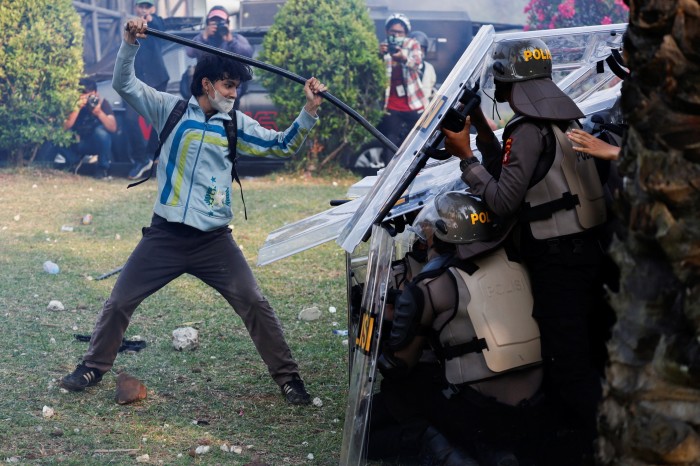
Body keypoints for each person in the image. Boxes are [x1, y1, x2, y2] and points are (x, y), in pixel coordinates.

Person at [60, 17, 327, 406]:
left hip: (214, 242)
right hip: (165, 235)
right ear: (207, 84)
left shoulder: (236, 123)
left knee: (255, 303)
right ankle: (93, 367)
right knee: (119, 302)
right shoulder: (170, 109)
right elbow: (124, 84)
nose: (234, 93)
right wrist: (130, 45)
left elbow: (283, 145)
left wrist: (309, 110)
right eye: (229, 85)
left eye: (237, 87)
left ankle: (289, 379)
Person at [441, 38, 608, 462]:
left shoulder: (526, 129)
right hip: (587, 252)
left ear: (505, 80)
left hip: (558, 262)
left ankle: (602, 446)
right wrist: (480, 126)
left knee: (568, 366)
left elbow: (501, 200)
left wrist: (465, 160)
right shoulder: (561, 120)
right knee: (584, 353)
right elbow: (518, 173)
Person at [368, 192, 545, 465]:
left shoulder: (433, 285)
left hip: (483, 411)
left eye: (427, 234)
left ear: (439, 236)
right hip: (539, 400)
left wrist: (377, 336)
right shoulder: (518, 262)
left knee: (398, 391)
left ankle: (448, 451)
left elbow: (399, 365)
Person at [125, 0, 170, 180]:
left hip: (157, 79)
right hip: (135, 80)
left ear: (152, 8)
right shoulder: (129, 22)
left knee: (159, 121)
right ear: (136, 7)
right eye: (141, 6)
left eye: (147, 6)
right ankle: (140, 159)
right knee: (129, 118)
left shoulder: (157, 21)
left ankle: (152, 156)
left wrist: (149, 20)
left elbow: (161, 30)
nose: (143, 10)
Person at [377, 13, 425, 159]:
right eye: (393, 32)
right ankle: (390, 177)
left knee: (416, 142)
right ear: (387, 31)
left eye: (400, 32)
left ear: (406, 33)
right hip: (391, 104)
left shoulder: (412, 44)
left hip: (413, 102)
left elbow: (418, 64)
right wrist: (379, 55)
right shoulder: (383, 47)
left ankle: (414, 173)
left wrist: (403, 58)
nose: (396, 35)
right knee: (390, 141)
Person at [183, 5, 254, 103]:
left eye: (221, 22)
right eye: (214, 22)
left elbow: (248, 54)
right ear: (208, 23)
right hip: (206, 94)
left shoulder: (235, 39)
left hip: (229, 95)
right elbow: (189, 52)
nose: (217, 26)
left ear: (228, 23)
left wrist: (230, 40)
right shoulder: (202, 38)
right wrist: (204, 37)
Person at [61, 78, 118, 178]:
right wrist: (76, 108)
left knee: (101, 132)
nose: (87, 99)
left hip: (94, 143)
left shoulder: (102, 103)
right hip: (76, 142)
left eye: (89, 95)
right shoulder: (72, 104)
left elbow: (113, 127)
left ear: (96, 93)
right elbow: (63, 128)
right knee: (58, 136)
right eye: (83, 95)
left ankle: (103, 168)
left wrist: (99, 112)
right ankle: (73, 162)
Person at [408, 30, 437, 106]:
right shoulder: (404, 66)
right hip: (409, 108)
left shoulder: (429, 68)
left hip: (425, 110)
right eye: (415, 48)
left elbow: (432, 89)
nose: (418, 51)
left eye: (421, 48)